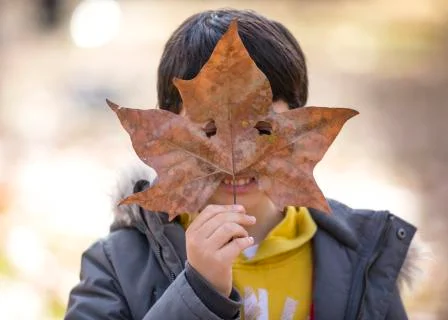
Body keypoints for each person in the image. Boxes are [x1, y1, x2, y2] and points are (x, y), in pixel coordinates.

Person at [65, 9, 420, 320]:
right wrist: (198, 292)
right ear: (165, 136)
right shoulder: (116, 265)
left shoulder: (363, 259)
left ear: (302, 131)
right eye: (208, 131)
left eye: (264, 129)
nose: (239, 153)